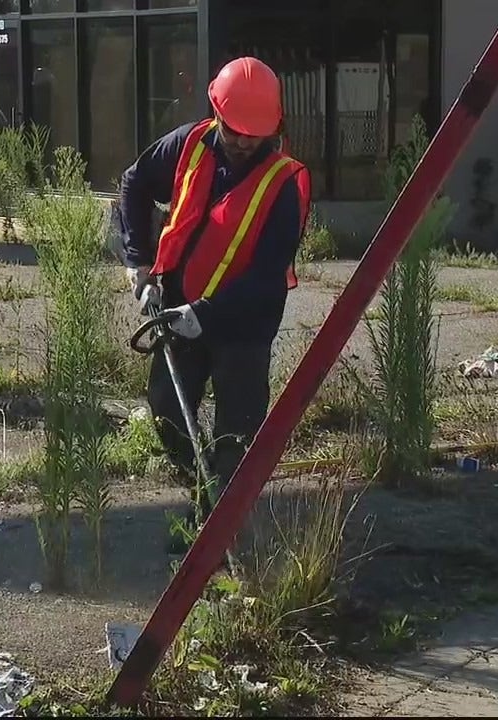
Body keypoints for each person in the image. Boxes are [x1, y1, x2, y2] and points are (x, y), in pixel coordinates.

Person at [117, 56, 311, 552]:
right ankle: (205, 500)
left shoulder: (285, 184)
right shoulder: (187, 144)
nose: (246, 141)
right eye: (236, 130)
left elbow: (267, 277)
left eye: (256, 133)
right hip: (176, 309)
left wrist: (204, 315)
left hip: (242, 325)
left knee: (236, 438)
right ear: (217, 112)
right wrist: (140, 265)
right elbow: (134, 185)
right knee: (165, 408)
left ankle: (220, 541)